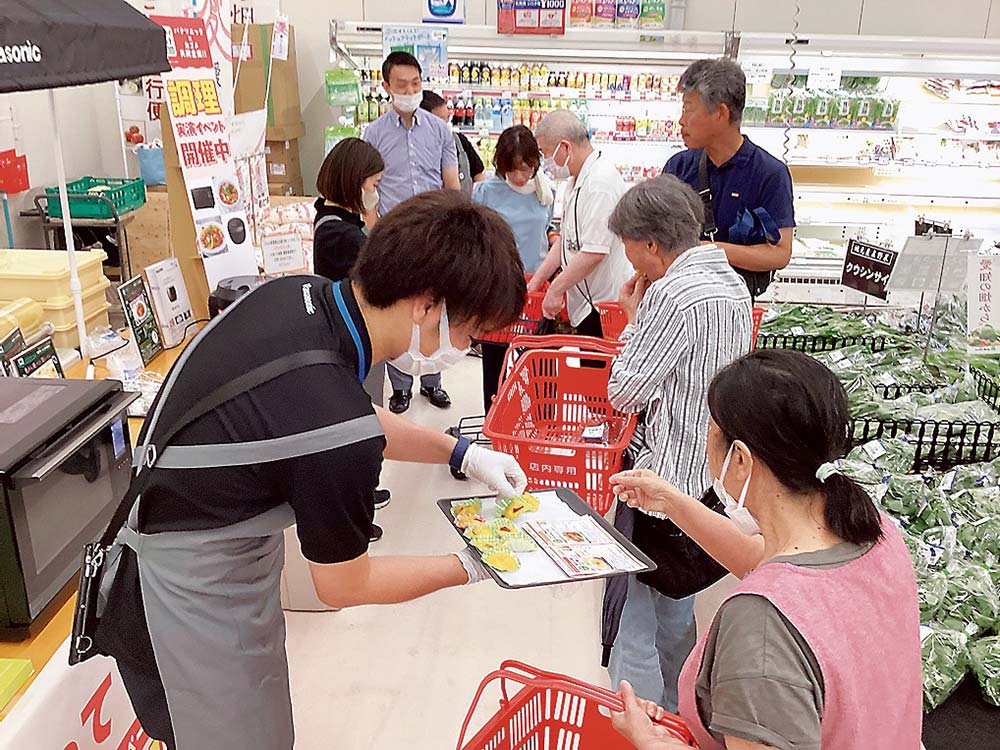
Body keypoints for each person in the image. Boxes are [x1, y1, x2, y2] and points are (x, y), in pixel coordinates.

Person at [93, 191, 529, 750]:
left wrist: (460, 453)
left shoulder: (304, 295)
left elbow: (335, 414)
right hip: (183, 590)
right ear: (426, 306)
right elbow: (345, 581)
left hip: (202, 539)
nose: (464, 348)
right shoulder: (335, 426)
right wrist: (474, 563)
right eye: (469, 335)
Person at [609, 349, 922, 750]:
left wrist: (652, 742)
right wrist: (673, 502)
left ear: (739, 459)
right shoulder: (875, 533)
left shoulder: (760, 626)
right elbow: (766, 566)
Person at [603, 174, 752, 712]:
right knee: (677, 609)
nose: (631, 260)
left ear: (650, 244)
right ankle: (681, 714)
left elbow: (624, 389)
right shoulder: (732, 283)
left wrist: (631, 321)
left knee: (633, 622)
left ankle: (637, 723)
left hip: (661, 484)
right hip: (709, 484)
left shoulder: (670, 293)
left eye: (630, 247)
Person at [364, 51, 460, 413]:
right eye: (401, 85)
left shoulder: (439, 130)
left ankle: (433, 381)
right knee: (400, 310)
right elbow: (368, 190)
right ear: (386, 87)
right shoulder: (373, 134)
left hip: (435, 234)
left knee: (436, 309)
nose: (410, 90)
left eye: (416, 84)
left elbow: (450, 182)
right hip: (395, 238)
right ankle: (401, 386)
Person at [663, 58, 795, 300]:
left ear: (720, 113)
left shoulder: (768, 174)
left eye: (688, 109)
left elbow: (779, 253)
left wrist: (707, 250)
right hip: (680, 303)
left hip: (738, 308)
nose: (681, 121)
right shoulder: (678, 167)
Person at [312, 136, 390, 541]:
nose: (375, 191)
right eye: (373, 183)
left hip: (346, 333)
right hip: (351, 336)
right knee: (359, 423)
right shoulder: (340, 234)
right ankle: (356, 507)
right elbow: (373, 272)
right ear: (354, 182)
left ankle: (364, 492)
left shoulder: (333, 218)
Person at [473, 124, 555, 411]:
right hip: (497, 286)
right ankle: (494, 419)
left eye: (526, 168)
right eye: (513, 169)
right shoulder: (485, 192)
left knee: (538, 362)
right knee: (495, 359)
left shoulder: (545, 193)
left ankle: (542, 420)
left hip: (535, 285)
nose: (520, 176)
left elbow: (548, 233)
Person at [531, 109, 632, 337]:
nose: (545, 162)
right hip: (586, 301)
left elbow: (595, 252)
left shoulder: (600, 183)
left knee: (599, 369)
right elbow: (567, 240)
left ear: (565, 147)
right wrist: (537, 280)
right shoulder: (575, 181)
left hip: (603, 307)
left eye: (546, 153)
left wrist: (556, 288)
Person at [421, 90, 486, 193]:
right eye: (440, 121)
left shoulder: (460, 141)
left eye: (447, 118)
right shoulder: (416, 148)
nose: (445, 125)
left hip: (462, 205)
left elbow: (478, 174)